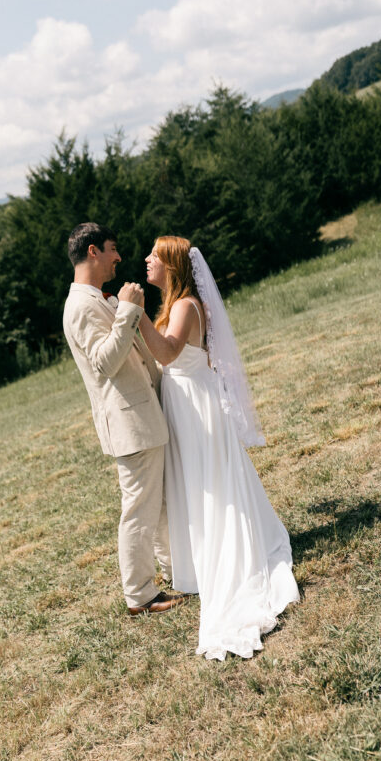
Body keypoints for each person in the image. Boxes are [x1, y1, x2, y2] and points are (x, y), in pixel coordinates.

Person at [138, 235, 300, 659]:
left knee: (209, 481)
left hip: (195, 407)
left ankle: (227, 559)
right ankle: (201, 558)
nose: (146, 260)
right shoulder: (176, 305)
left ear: (171, 264)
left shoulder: (185, 305)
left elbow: (171, 352)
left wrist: (133, 316)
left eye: (154, 255)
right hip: (186, 403)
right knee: (199, 483)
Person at [62, 222, 184, 615]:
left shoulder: (97, 298)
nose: (119, 257)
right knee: (139, 511)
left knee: (159, 504)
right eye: (113, 249)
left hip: (143, 417)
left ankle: (175, 571)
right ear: (94, 251)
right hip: (129, 423)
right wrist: (130, 309)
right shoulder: (80, 305)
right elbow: (106, 362)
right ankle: (140, 595)